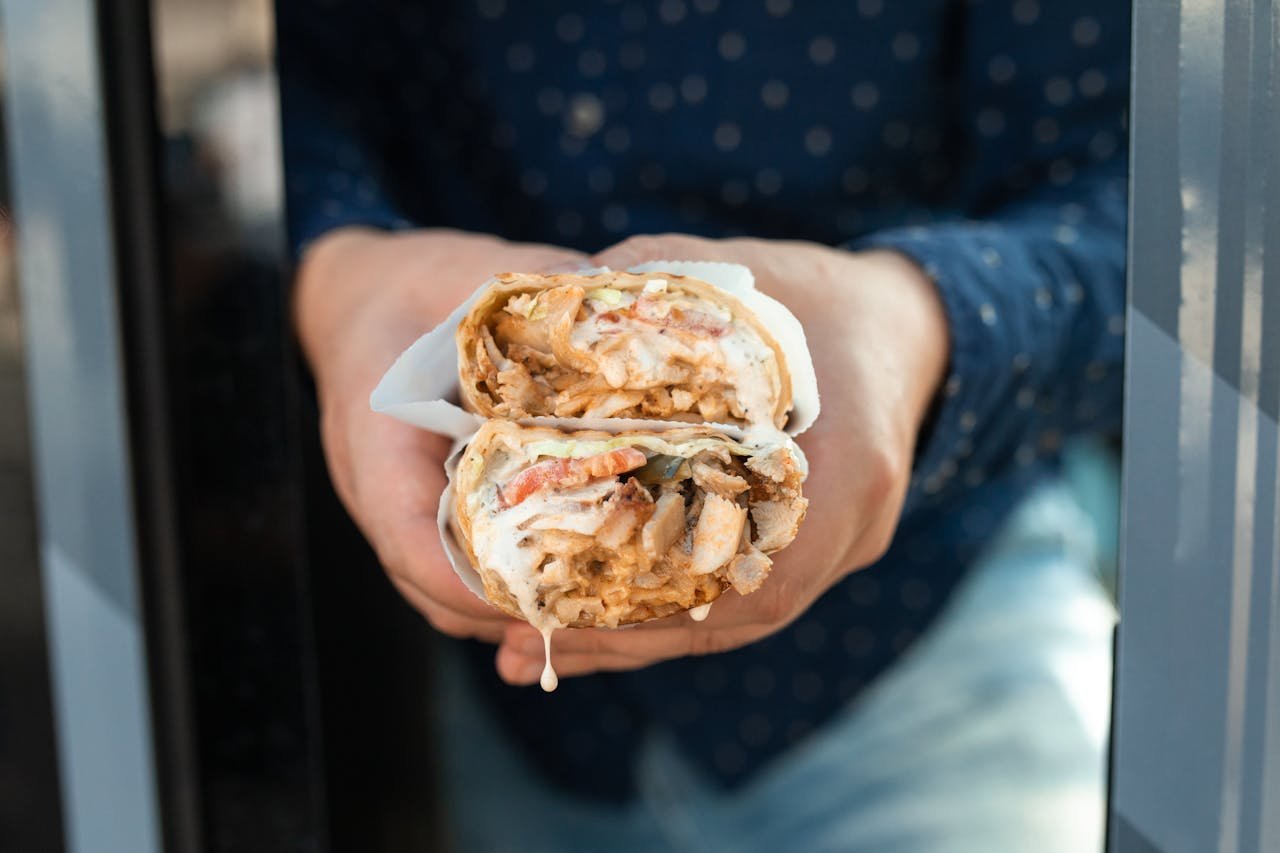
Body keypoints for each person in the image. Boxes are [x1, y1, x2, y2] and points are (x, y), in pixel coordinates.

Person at [279, 1, 1128, 849]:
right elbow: (309, 96)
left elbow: (1165, 215)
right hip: (531, 742)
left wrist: (915, 324)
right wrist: (340, 273)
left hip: (933, 677)